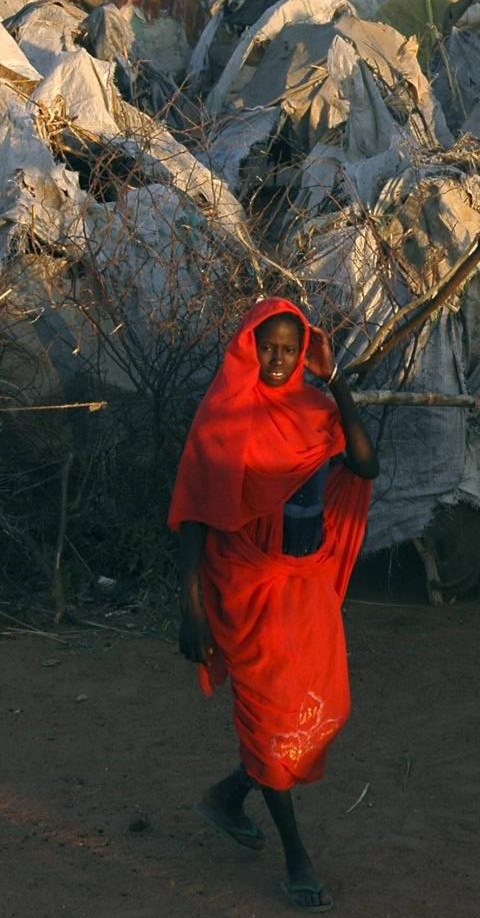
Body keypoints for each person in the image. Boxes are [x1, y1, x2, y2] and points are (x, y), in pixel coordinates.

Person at [171, 297, 379, 914]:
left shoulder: (316, 411)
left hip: (305, 582)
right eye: (270, 347)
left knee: (327, 709)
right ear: (248, 347)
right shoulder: (222, 418)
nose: (280, 359)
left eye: (291, 349)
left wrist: (335, 379)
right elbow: (194, 518)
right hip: (246, 584)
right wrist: (191, 607)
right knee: (268, 720)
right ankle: (297, 859)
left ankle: (229, 795)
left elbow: (367, 465)